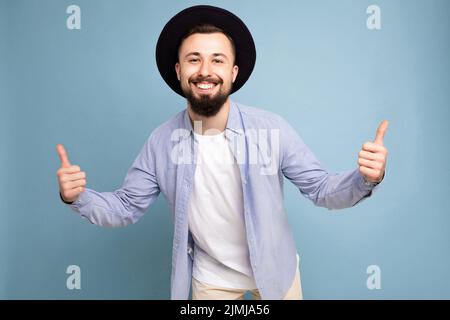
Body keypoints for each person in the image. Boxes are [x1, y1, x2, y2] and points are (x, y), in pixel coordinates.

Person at [56, 5, 389, 300]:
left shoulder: (271, 130)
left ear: (233, 72)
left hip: (277, 272)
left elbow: (320, 188)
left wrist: (364, 178)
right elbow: (126, 207)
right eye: (194, 59)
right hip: (210, 280)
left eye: (217, 59)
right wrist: (78, 197)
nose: (205, 70)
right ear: (178, 71)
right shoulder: (160, 143)